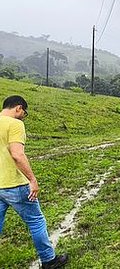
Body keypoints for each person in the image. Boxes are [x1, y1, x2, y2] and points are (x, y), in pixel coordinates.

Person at [0, 95, 68, 268]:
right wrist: (32, 179)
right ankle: (49, 260)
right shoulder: (15, 124)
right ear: (18, 108)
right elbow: (17, 154)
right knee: (36, 220)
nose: (23, 116)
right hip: (15, 184)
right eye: (24, 112)